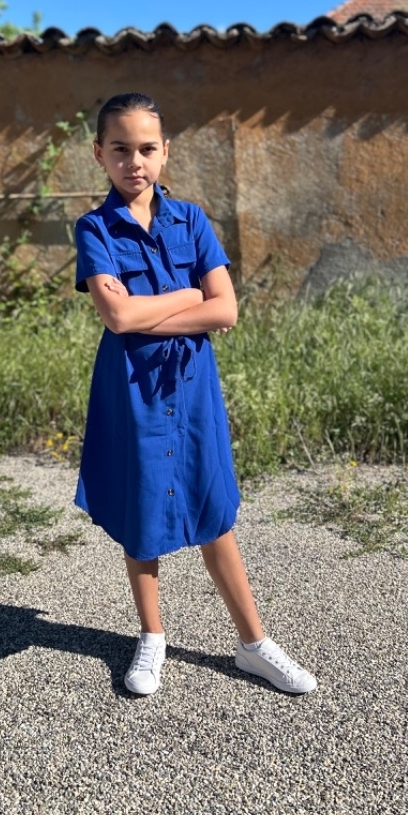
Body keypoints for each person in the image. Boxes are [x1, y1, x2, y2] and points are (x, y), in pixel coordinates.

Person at [74, 92, 317, 697]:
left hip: (192, 387)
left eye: (146, 149)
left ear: (165, 152)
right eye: (120, 149)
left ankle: (254, 645)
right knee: (140, 510)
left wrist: (151, 310)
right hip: (131, 389)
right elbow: (117, 318)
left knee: (213, 509)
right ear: (99, 153)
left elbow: (226, 310)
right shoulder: (94, 229)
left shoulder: (192, 221)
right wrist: (189, 297)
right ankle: (151, 636)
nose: (134, 162)